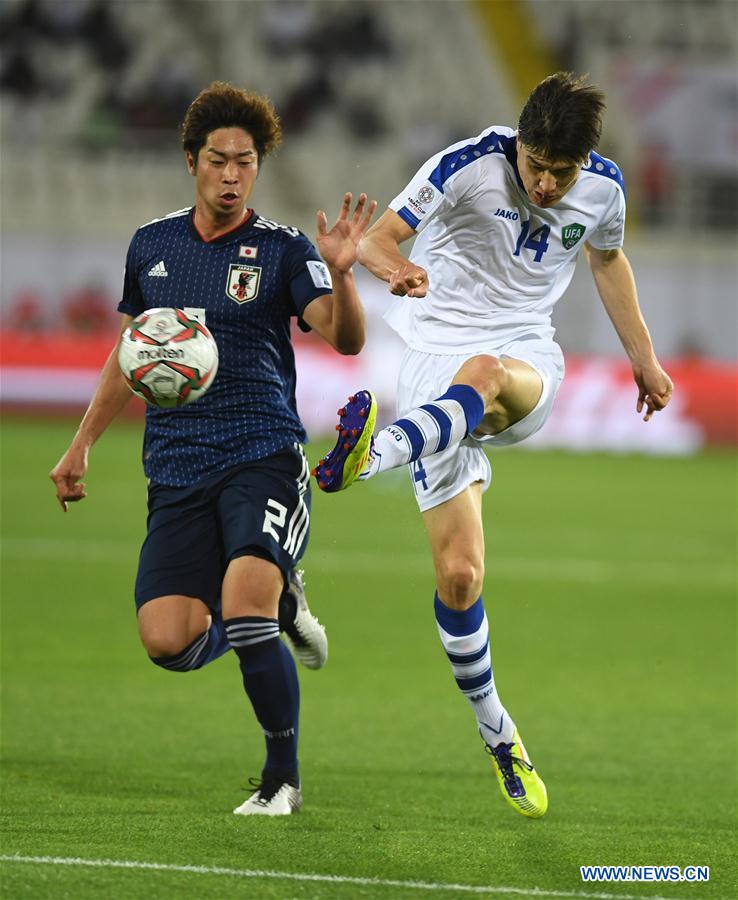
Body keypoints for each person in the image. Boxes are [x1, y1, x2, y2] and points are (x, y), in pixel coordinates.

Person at [314, 72, 673, 819]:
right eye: (535, 164)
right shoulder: (466, 164)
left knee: (485, 374)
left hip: (521, 360)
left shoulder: (604, 189)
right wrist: (398, 268)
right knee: (460, 578)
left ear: (586, 163)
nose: (544, 183)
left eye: (559, 172)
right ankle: (501, 737)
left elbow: (606, 260)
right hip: (431, 366)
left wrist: (644, 357)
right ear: (518, 141)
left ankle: (370, 457)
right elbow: (381, 238)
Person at [49, 81, 376, 816]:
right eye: (219, 160)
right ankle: (284, 607)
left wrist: (346, 274)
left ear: (259, 167)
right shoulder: (153, 245)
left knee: (243, 605)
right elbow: (130, 354)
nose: (232, 175)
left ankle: (281, 780)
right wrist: (82, 445)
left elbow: (348, 339)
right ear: (192, 162)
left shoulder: (286, 249)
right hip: (176, 466)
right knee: (166, 640)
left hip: (261, 451)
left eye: (247, 162)